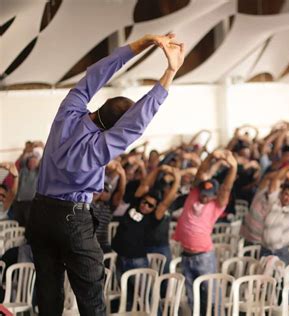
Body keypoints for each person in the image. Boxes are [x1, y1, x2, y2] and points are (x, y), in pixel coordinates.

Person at [26, 33, 185, 315]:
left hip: (39, 213)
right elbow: (136, 123)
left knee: (48, 295)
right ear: (114, 128)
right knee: (91, 300)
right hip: (71, 219)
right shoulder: (100, 147)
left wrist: (143, 43)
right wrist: (170, 71)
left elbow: (96, 73)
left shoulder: (68, 112)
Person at [173, 149, 237, 312]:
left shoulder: (216, 205)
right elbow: (201, 172)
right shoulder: (194, 194)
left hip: (204, 256)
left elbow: (226, 188)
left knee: (212, 297)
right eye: (203, 192)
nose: (204, 197)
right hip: (186, 255)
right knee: (193, 298)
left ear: (214, 195)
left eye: (208, 195)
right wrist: (210, 157)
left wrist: (233, 168)